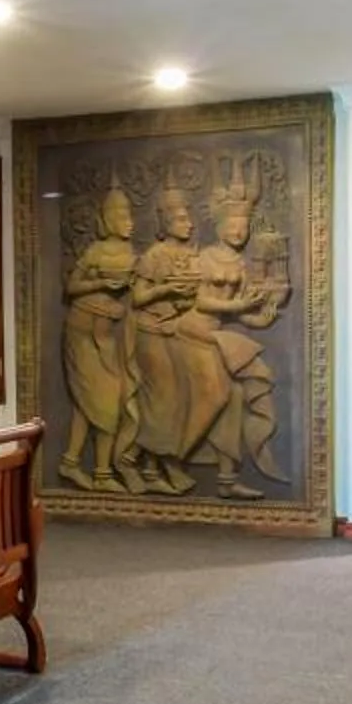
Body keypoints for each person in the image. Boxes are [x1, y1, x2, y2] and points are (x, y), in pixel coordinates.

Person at [123, 188, 230, 493]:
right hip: (150, 332)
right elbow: (139, 297)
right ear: (166, 221)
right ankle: (149, 462)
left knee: (184, 398)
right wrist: (166, 291)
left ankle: (151, 465)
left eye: (190, 218)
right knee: (164, 400)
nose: (190, 224)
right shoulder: (154, 256)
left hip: (177, 330)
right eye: (182, 219)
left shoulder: (192, 255)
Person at [190, 173, 290, 497]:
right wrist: (238, 304)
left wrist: (261, 319)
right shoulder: (204, 258)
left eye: (244, 226)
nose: (239, 231)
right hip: (191, 333)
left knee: (234, 397)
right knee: (219, 394)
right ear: (217, 225)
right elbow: (200, 300)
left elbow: (241, 312)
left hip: (215, 335)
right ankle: (167, 457)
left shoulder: (243, 264)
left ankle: (227, 481)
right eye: (233, 225)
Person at [57, 186, 138, 492]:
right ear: (109, 218)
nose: (130, 220)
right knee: (102, 399)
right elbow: (72, 287)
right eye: (124, 214)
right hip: (82, 332)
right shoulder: (95, 251)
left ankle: (76, 464)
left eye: (130, 213)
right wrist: (102, 282)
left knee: (92, 402)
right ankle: (98, 471)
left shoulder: (132, 254)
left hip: (107, 335)